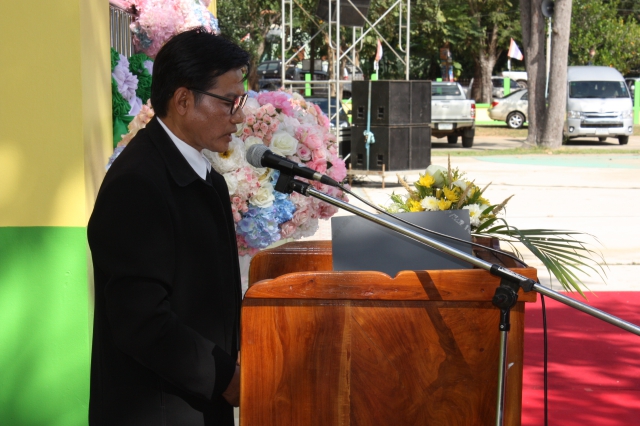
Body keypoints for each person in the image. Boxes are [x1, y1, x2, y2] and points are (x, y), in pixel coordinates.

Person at [87, 28, 250, 425]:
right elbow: (141, 320)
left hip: (201, 401)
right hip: (158, 409)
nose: (240, 116)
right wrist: (225, 377)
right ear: (182, 100)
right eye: (229, 101)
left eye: (241, 101)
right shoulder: (137, 183)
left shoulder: (204, 177)